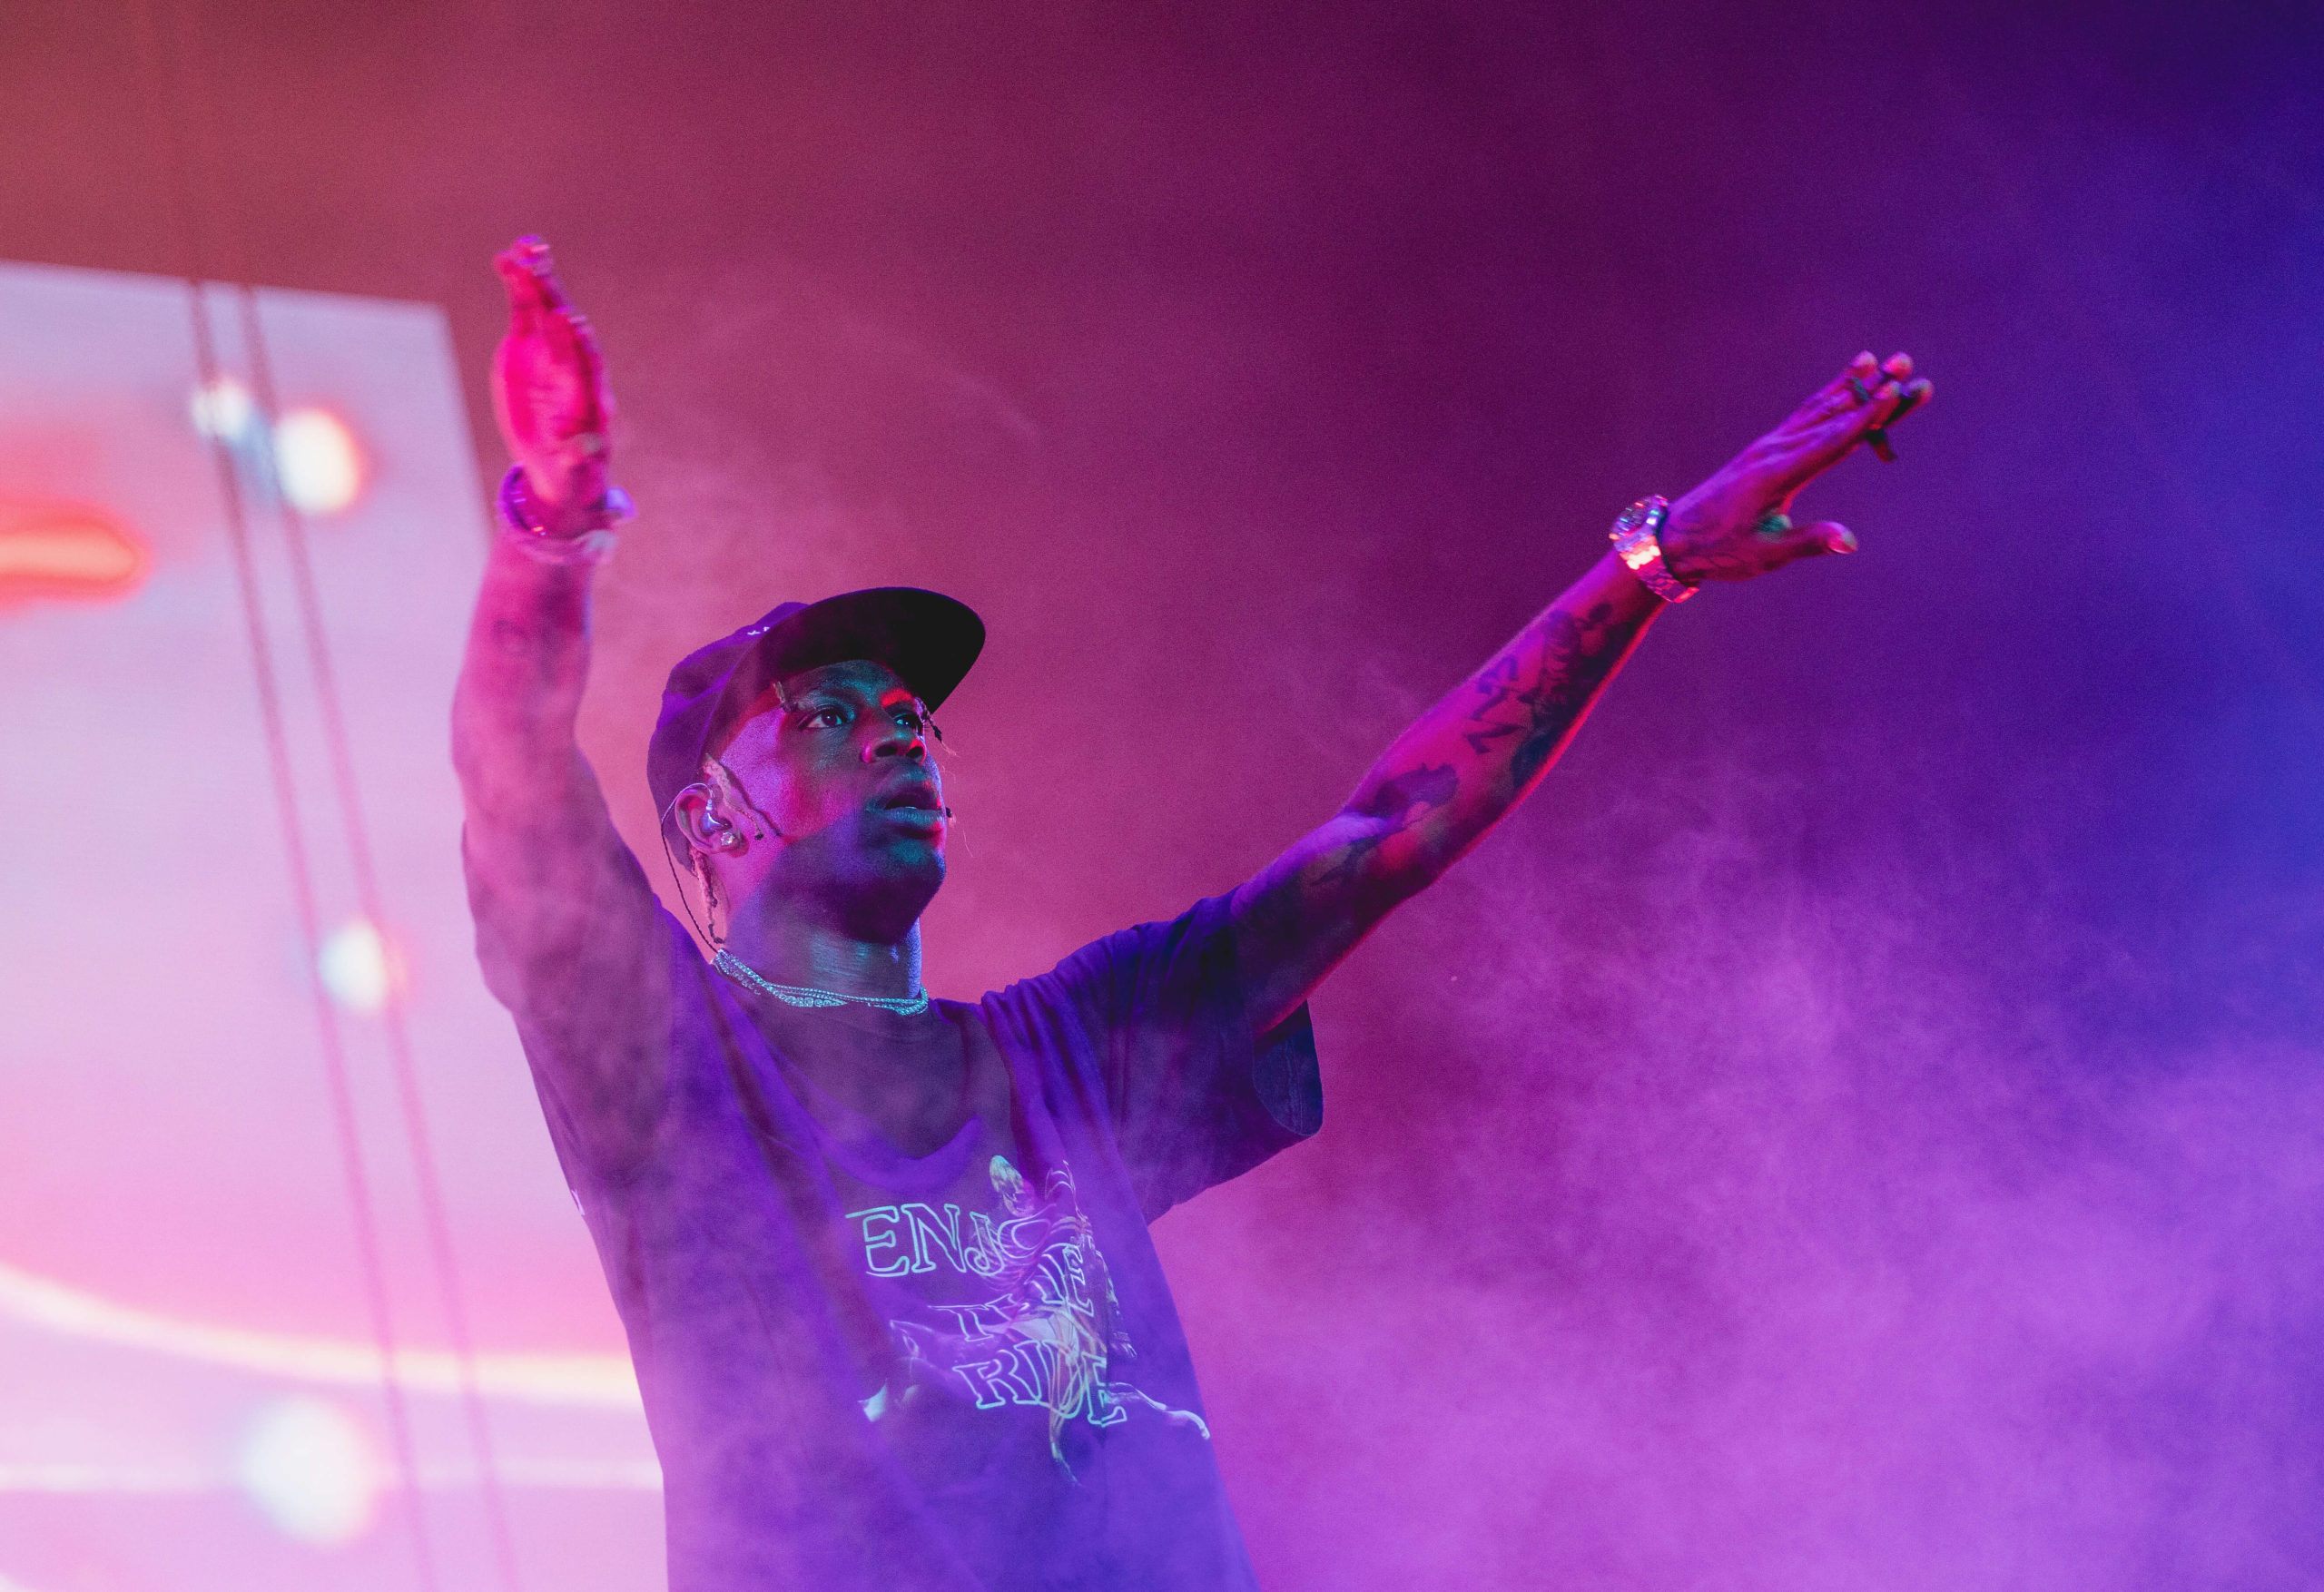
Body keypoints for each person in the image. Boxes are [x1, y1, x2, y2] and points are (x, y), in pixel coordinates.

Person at [454, 234, 1931, 1591]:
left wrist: (1648, 567)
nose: (904, 732)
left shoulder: (1076, 1045)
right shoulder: (665, 1057)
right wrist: (556, 526)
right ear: (713, 816)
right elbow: (512, 770)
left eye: (915, 714)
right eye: (835, 713)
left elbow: (1388, 832)